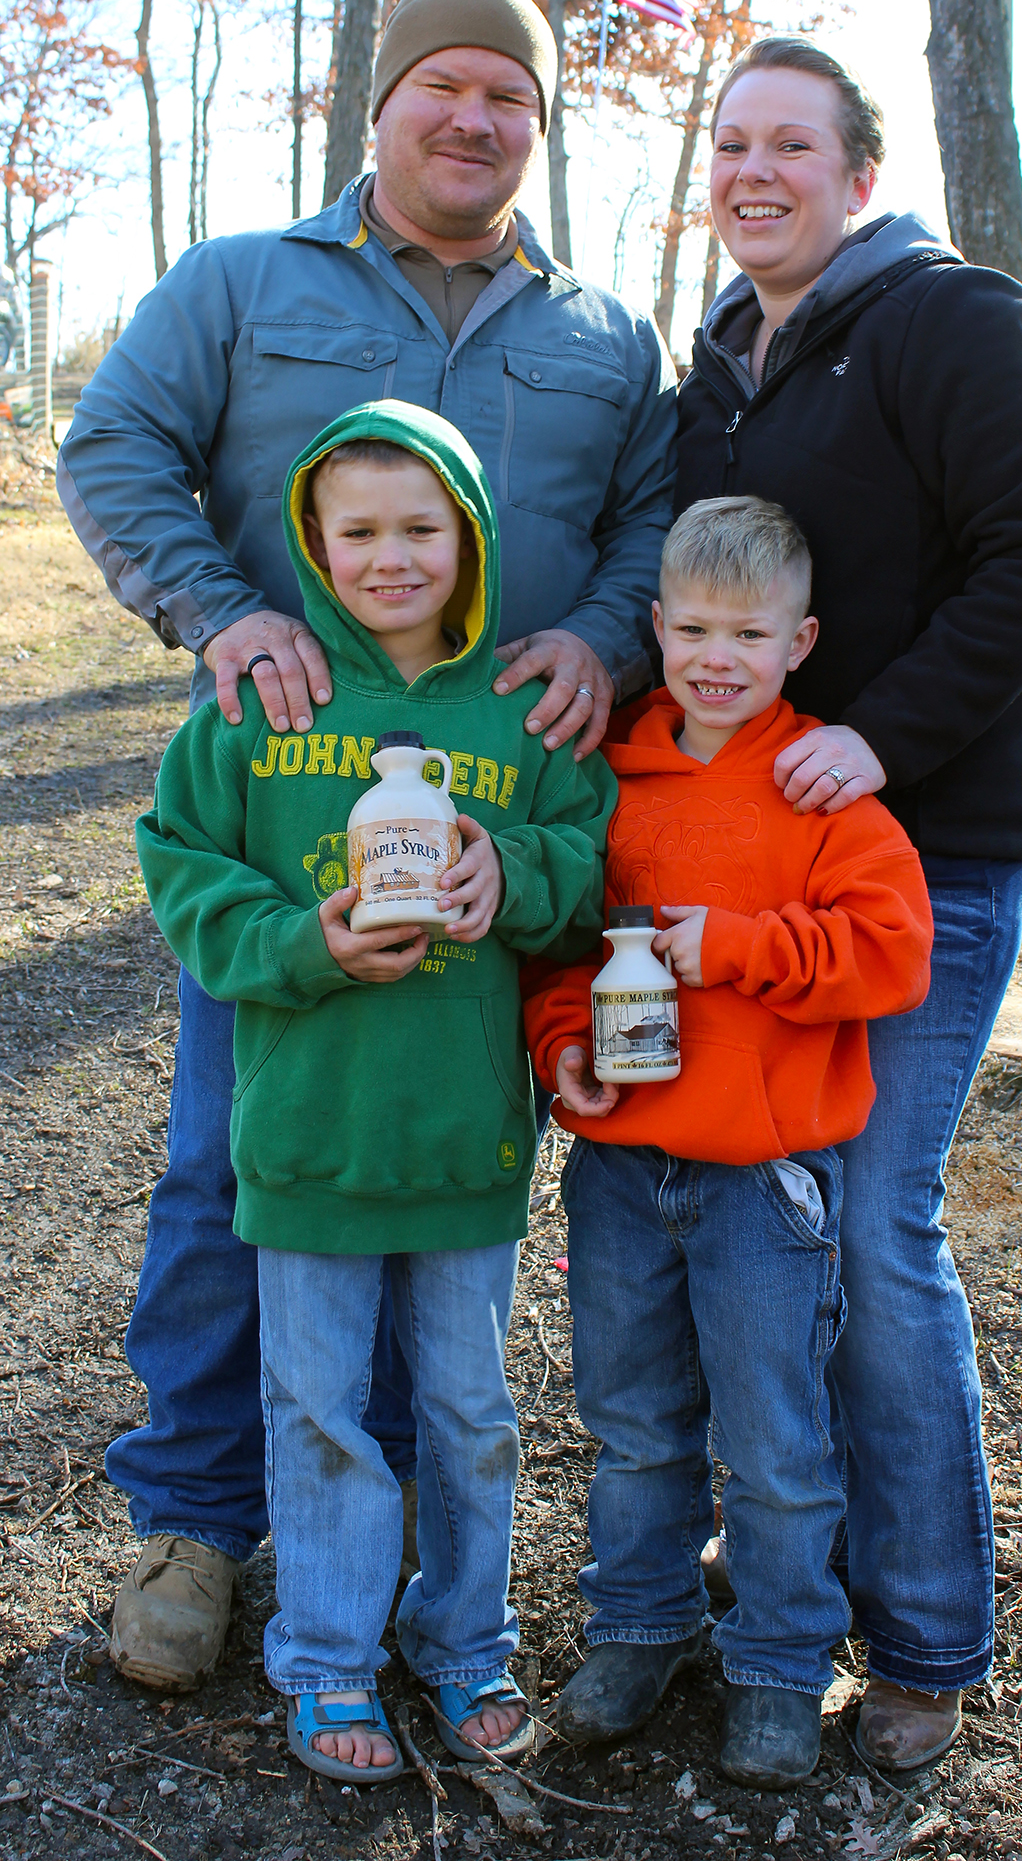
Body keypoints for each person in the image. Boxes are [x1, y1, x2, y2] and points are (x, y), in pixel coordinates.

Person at [56, 0, 675, 1692]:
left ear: (538, 128)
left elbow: (652, 522)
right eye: (446, 87)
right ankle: (191, 1521)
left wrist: (603, 636)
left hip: (493, 816)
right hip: (285, 816)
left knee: (433, 1182)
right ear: (384, 104)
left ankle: (386, 1538)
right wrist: (215, 611)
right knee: (224, 1166)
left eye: (512, 99)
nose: (475, 120)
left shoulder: (603, 335)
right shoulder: (246, 283)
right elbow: (114, 447)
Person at [675, 38, 1022, 1773]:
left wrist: (880, 734)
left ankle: (926, 1635)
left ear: (860, 174)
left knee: (874, 1216)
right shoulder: (725, 359)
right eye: (732, 145)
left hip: (930, 855)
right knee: (772, 1221)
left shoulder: (939, 317)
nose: (755, 171)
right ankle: (794, 1554)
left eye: (793, 144)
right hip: (766, 869)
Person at [137, 399, 615, 1778]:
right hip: (306, 1136)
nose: (390, 558)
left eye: (422, 528)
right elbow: (183, 868)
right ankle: (330, 1662)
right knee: (318, 1406)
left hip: (464, 1139)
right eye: (358, 532)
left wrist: (508, 874)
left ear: (469, 539)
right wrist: (307, 942)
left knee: (470, 1411)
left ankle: (466, 1643)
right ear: (311, 541)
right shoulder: (260, 707)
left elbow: (588, 868)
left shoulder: (523, 716)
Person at [522, 496, 933, 1787]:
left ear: (798, 640)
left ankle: (777, 1660)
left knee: (772, 1435)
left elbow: (895, 953)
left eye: (747, 632)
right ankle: (639, 1624)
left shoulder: (823, 790)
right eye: (693, 625)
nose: (716, 654)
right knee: (634, 1419)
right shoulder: (608, 786)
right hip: (623, 1171)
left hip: (766, 1182)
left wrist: (743, 948)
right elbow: (556, 949)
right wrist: (559, 1051)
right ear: (655, 626)